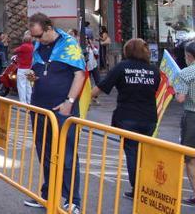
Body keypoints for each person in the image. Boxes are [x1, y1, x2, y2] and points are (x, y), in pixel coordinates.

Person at [24, 12, 86, 213]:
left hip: (62, 109)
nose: (36, 40)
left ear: (49, 28)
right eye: (34, 37)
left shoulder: (69, 44)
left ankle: (71, 200)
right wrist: (34, 77)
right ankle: (48, 194)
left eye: (39, 36)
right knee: (45, 151)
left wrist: (69, 102)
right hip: (40, 106)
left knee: (67, 154)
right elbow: (40, 70)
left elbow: (79, 74)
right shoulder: (38, 45)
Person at [91, 38, 159, 200]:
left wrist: (87, 97)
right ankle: (146, 186)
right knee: (144, 152)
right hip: (149, 118)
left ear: (127, 51)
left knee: (131, 152)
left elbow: (100, 87)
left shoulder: (122, 67)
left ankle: (137, 188)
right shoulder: (153, 70)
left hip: (127, 116)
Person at [175, 40, 195, 207]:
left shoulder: (185, 73)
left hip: (192, 116)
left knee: (191, 158)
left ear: (189, 56)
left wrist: (176, 91)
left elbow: (180, 98)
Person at [13, 32, 35, 104]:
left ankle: (23, 102)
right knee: (29, 86)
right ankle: (30, 101)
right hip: (30, 68)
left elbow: (15, 51)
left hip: (22, 68)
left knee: (21, 86)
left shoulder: (23, 46)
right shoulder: (32, 46)